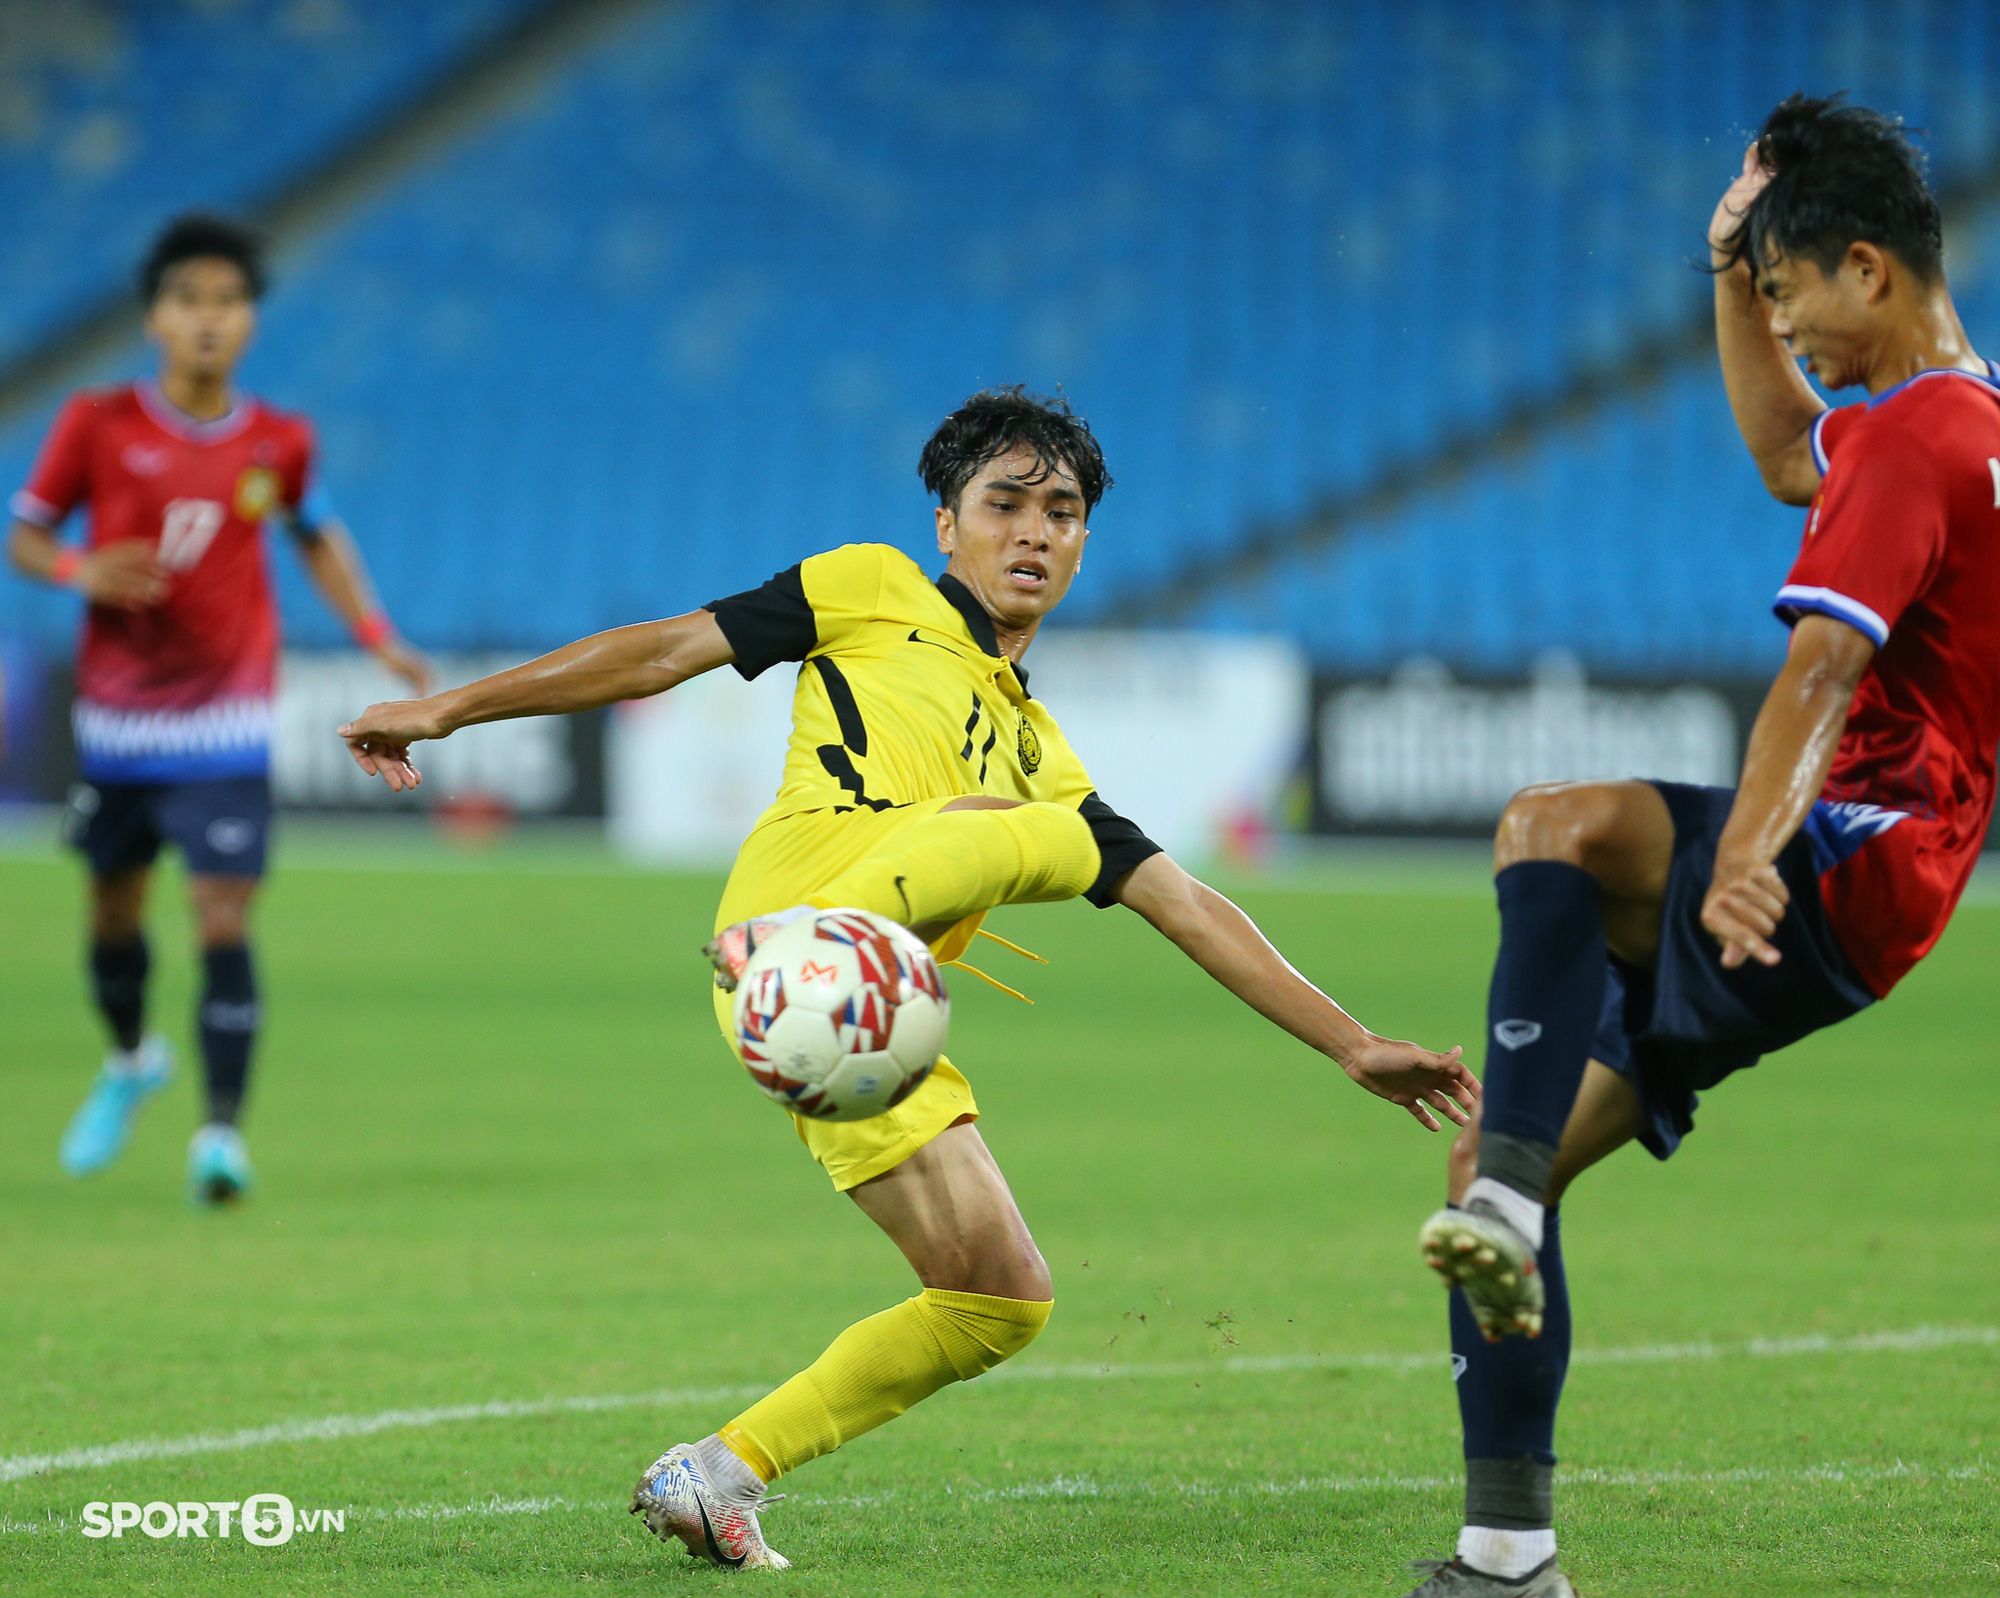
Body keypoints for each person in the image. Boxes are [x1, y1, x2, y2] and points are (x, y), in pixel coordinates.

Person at [338, 386, 1478, 1571]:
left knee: (1001, 1296)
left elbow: (1185, 902)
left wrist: (1351, 1043)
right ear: (947, 523)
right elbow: (662, 650)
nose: (1034, 531)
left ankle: (717, 1471)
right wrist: (448, 708)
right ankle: (842, 937)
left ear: (1086, 542)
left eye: (1063, 511)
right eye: (1005, 503)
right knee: (1030, 826)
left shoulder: (1042, 749)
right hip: (784, 946)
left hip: (861, 1020)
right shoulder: (870, 587)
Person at [1395, 95, 2000, 1598]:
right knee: (1505, 1161)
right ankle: (1507, 1558)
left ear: (1870, 265)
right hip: (1893, 892)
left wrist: (1750, 846)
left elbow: (1822, 670)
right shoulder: (1961, 424)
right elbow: (1795, 456)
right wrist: (1731, 268)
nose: (1791, 326)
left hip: (1841, 852)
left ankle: (1506, 1193)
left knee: (1550, 826)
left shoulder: (1924, 437)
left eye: (1794, 291)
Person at [6, 213, 427, 1204]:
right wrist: (77, 566)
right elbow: (24, 534)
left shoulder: (279, 440)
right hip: (116, 727)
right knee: (112, 913)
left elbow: (316, 535)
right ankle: (129, 1059)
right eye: (188, 300)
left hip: (227, 723)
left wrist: (378, 634)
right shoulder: (96, 423)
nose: (208, 319)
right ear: (155, 317)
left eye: (227, 302)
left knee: (220, 914)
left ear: (249, 321)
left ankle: (220, 1136)